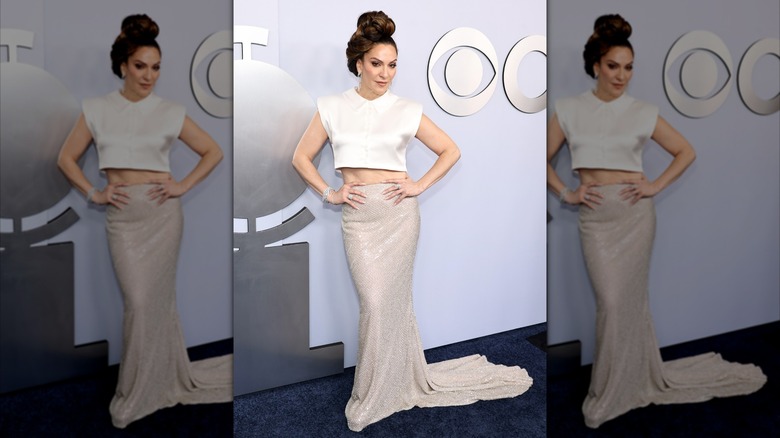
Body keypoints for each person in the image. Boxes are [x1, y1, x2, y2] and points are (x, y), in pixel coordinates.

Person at [292, 10, 533, 432]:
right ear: (358, 64)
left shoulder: (406, 109)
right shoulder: (330, 107)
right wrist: (330, 193)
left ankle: (381, 391)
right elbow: (300, 157)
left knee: (390, 304)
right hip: (359, 219)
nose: (385, 73)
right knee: (375, 303)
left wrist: (418, 185)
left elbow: (451, 150)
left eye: (392, 64)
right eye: (376, 64)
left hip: (399, 217)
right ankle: (380, 387)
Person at [547, 14, 767, 429]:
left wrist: (654, 186)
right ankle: (616, 385)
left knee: (625, 304)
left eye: (629, 67)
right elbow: (539, 160)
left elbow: (686, 151)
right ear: (595, 65)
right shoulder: (568, 109)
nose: (621, 75)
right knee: (611, 304)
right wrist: (567, 192)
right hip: (595, 219)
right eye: (613, 66)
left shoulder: (643, 111)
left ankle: (621, 386)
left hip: (635, 217)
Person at [57, 14, 231, 429]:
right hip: (122, 219)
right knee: (138, 303)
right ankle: (140, 387)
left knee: (155, 302)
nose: (149, 75)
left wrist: (181, 186)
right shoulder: (96, 108)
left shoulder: (170, 111)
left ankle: (154, 385)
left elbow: (213, 151)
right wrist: (94, 192)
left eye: (155, 67)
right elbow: (65, 158)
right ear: (122, 65)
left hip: (162, 216)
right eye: (140, 66)